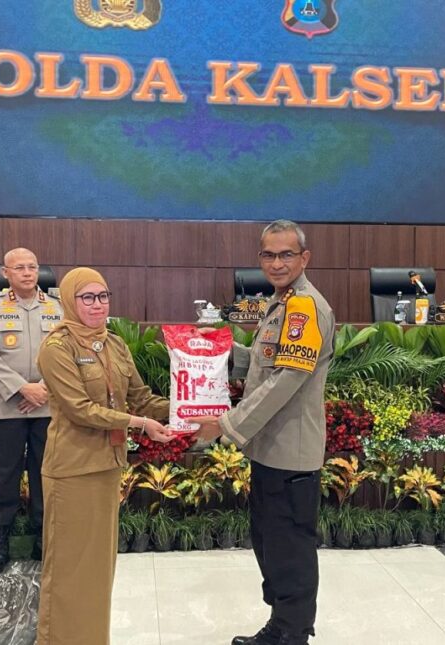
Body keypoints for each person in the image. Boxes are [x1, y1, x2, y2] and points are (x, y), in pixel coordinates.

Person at [190, 220, 335, 645]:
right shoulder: (282, 303)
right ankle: (283, 625)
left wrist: (227, 424)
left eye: (286, 254)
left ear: (304, 258)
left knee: (289, 547)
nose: (276, 262)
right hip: (271, 448)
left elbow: (288, 378)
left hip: (291, 448)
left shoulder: (305, 307)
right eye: (268, 254)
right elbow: (264, 363)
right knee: (271, 541)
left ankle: (291, 633)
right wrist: (215, 349)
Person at [35, 267, 174, 645]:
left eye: (103, 296)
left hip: (107, 467)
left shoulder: (113, 344)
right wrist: (139, 423)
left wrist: (187, 407)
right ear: (69, 300)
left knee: (98, 570)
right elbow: (80, 409)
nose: (98, 305)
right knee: (69, 569)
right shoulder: (57, 347)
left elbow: (141, 397)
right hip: (72, 470)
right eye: (87, 297)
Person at [0, 248, 63, 575]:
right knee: (3, 477)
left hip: (47, 408)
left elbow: (67, 355)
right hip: (6, 409)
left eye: (32, 267)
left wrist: (44, 389)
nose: (27, 272)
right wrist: (23, 388)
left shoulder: (58, 307)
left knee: (46, 476)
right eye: (19, 268)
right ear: (6, 273)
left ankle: (44, 540)